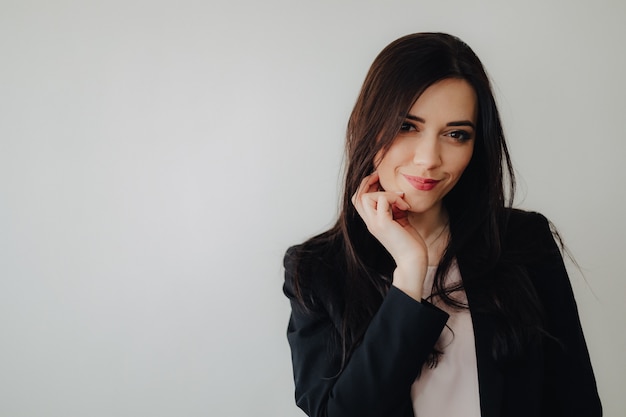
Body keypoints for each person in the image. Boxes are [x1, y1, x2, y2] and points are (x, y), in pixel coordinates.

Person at [282, 32, 601, 417]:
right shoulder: (317, 269)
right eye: (407, 126)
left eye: (455, 134)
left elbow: (575, 400)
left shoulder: (523, 242)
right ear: (368, 126)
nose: (429, 159)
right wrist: (410, 272)